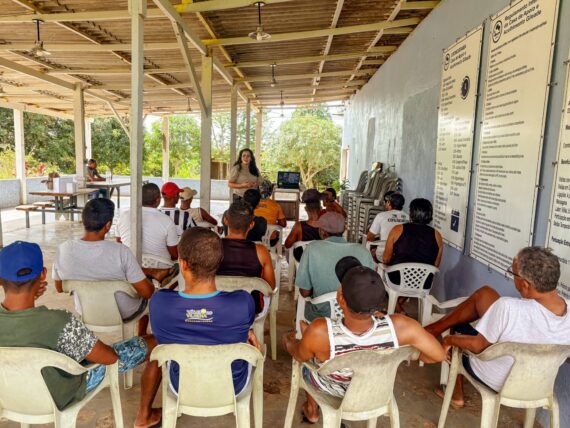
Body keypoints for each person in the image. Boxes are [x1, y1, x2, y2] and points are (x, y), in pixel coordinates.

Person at [0, 241, 157, 419]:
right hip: (59, 397)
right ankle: (146, 415)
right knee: (152, 342)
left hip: (12, 398)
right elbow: (109, 358)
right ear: (43, 274)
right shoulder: (60, 322)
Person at [282, 256, 446, 423]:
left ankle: (312, 409)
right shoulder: (401, 326)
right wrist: (408, 354)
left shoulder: (321, 331)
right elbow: (438, 355)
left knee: (309, 363)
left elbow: (300, 355)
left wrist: (290, 342)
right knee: (315, 346)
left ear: (340, 298)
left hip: (333, 391)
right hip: (377, 390)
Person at [137, 228, 260, 425]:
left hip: (181, 386)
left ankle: (143, 415)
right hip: (232, 386)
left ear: (183, 263)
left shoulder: (160, 303)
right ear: (219, 262)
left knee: (157, 348)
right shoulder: (242, 302)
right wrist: (247, 331)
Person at [426, 247, 570, 409]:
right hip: (540, 386)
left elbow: (478, 346)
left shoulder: (507, 307)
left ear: (524, 284)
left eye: (513, 274)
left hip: (497, 380)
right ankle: (435, 328)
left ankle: (456, 394)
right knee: (485, 294)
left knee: (459, 328)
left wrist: (448, 340)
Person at [53, 198, 154, 332]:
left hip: (86, 311)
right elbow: (147, 292)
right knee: (152, 293)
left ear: (84, 220)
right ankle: (142, 334)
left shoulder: (63, 249)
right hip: (124, 313)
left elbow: (59, 288)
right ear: (108, 225)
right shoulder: (120, 251)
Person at [296, 211, 375, 321]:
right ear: (344, 230)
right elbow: (371, 288)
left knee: (301, 304)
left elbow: (304, 292)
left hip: (322, 315)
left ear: (322, 231)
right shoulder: (363, 250)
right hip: (356, 315)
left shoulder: (312, 248)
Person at [383, 198, 443, 311]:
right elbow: (436, 265)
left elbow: (386, 259)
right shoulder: (437, 235)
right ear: (430, 214)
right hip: (423, 282)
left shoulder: (398, 229)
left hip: (397, 280)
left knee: (380, 272)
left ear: (411, 213)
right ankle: (399, 306)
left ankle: (398, 309)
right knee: (412, 281)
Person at [218, 200, 275, 314]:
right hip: (250, 309)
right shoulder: (261, 251)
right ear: (251, 225)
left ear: (225, 220)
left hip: (217, 306)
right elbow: (270, 286)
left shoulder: (212, 246)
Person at [116, 183, 179, 285]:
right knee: (180, 266)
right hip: (162, 266)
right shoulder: (166, 220)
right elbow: (174, 254)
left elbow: (119, 244)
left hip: (131, 265)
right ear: (158, 200)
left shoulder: (124, 216)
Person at [367, 191, 409, 261]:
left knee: (369, 246)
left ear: (389, 203)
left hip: (383, 254)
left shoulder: (381, 216)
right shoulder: (408, 217)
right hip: (402, 255)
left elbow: (369, 237)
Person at [284, 189, 324, 262]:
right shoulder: (326, 225)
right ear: (321, 209)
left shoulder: (299, 226)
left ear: (305, 209)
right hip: (320, 260)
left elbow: (287, 244)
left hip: (302, 260)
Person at [256, 179, 287, 246]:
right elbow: (283, 224)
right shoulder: (275, 205)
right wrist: (273, 224)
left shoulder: (252, 203)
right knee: (276, 233)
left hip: (254, 239)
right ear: (270, 191)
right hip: (270, 240)